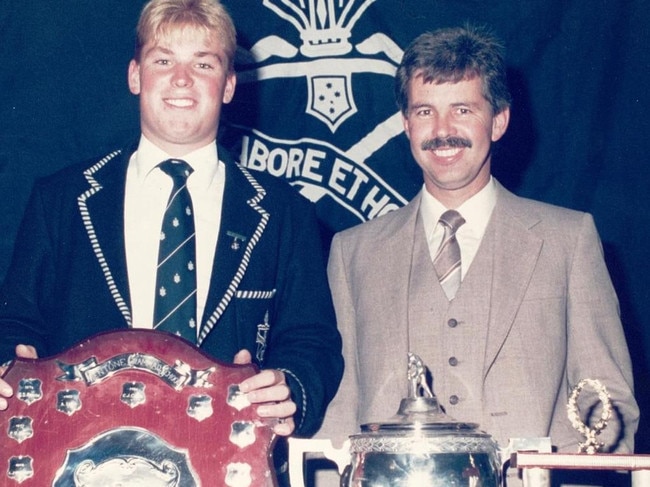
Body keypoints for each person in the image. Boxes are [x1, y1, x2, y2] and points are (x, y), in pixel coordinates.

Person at [0, 0, 342, 447]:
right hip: (78, 455)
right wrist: (10, 364)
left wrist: (291, 387)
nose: (182, 79)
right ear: (135, 76)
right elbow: (15, 324)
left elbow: (312, 341)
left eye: (204, 63)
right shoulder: (60, 200)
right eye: (163, 60)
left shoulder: (283, 212)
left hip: (227, 457)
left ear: (229, 86)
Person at [316, 25, 639, 486]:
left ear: (499, 120)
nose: (442, 131)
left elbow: (609, 409)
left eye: (463, 110)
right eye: (425, 111)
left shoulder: (569, 240)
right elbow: (337, 419)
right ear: (406, 124)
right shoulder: (352, 252)